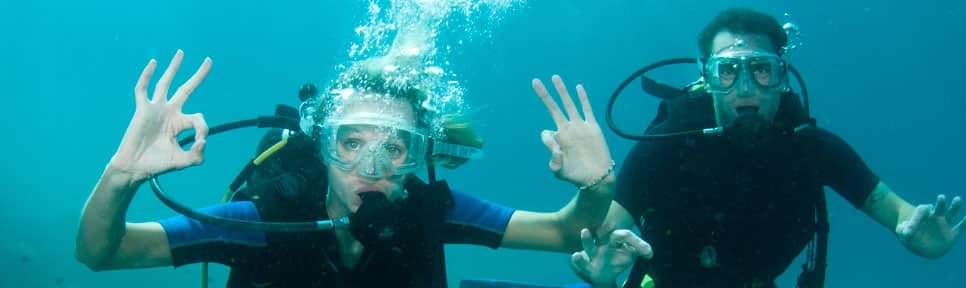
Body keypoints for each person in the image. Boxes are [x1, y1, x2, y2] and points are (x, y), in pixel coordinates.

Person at [73, 47, 652, 287]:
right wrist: (120, 176)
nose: (370, 165)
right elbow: (102, 252)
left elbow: (561, 231)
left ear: (418, 155)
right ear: (322, 145)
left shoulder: (430, 209)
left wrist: (596, 188)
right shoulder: (262, 218)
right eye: (349, 143)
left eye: (394, 148)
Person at [567, 7, 966, 288]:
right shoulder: (666, 148)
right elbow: (603, 235)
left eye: (761, 70)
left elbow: (900, 214)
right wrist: (603, 275)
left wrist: (919, 235)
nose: (745, 89)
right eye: (727, 71)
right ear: (706, 77)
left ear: (782, 75)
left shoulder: (811, 149)